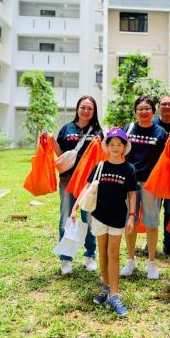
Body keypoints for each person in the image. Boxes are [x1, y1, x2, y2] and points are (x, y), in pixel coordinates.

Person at [71, 128, 137, 316]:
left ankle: (114, 295)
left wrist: (132, 216)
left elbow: (132, 194)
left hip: (117, 217)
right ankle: (107, 287)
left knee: (113, 252)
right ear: (106, 146)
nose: (115, 147)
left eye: (119, 144)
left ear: (125, 147)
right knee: (102, 252)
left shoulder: (129, 169)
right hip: (98, 215)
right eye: (112, 144)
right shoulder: (100, 166)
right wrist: (75, 207)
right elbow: (86, 187)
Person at [51, 95, 103, 275]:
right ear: (77, 108)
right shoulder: (67, 129)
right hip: (67, 180)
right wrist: (51, 142)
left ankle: (90, 255)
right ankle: (66, 259)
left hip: (88, 183)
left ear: (94, 111)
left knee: (88, 219)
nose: (86, 111)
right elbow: (61, 154)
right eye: (83, 107)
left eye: (90, 108)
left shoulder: (97, 131)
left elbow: (102, 156)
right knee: (66, 217)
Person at [120, 96, 167, 279]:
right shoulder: (129, 129)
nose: (144, 111)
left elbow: (165, 159)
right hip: (129, 182)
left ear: (153, 111)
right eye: (140, 108)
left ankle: (151, 262)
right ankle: (130, 260)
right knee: (129, 220)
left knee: (151, 221)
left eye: (147, 108)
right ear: (135, 111)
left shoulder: (160, 132)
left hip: (151, 183)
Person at [152, 95, 170, 257]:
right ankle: (151, 243)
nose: (167, 106)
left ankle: (168, 243)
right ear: (159, 107)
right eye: (164, 104)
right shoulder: (153, 124)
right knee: (152, 210)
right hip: (155, 174)